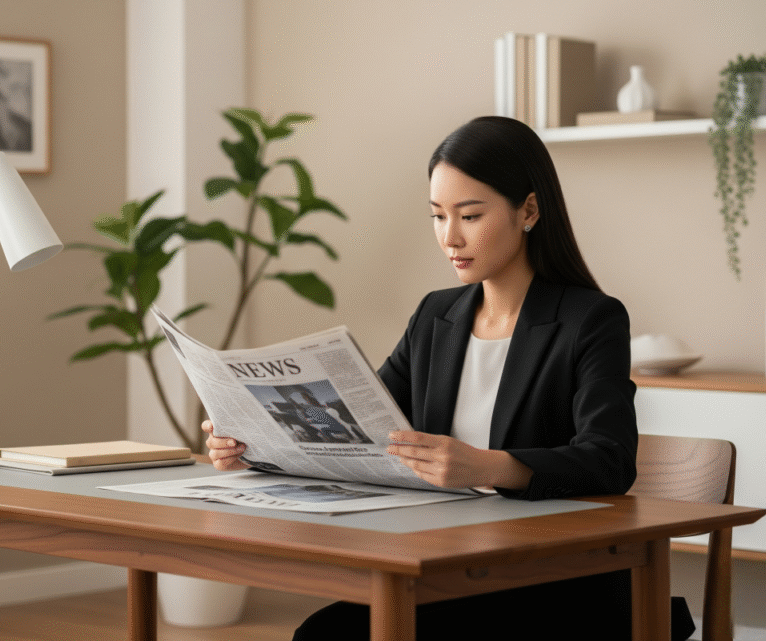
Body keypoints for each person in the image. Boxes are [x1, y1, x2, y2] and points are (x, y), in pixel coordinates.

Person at [202, 116, 694, 640]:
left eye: (470, 215)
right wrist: (255, 442)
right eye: (438, 216)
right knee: (325, 634)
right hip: (446, 563)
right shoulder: (436, 318)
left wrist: (484, 466)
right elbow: (361, 427)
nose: (449, 237)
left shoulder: (591, 320)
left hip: (552, 580)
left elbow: (609, 460)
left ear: (528, 210)